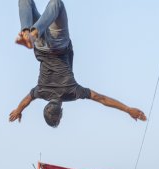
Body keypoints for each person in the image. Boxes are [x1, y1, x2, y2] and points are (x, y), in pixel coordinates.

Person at [10, 0, 146, 127]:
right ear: (46, 107)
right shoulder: (40, 92)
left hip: (59, 44)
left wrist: (128, 109)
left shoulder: (73, 92)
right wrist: (18, 110)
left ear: (61, 113)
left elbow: (101, 99)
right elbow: (26, 101)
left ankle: (31, 34)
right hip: (41, 46)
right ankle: (29, 33)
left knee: (56, 3)